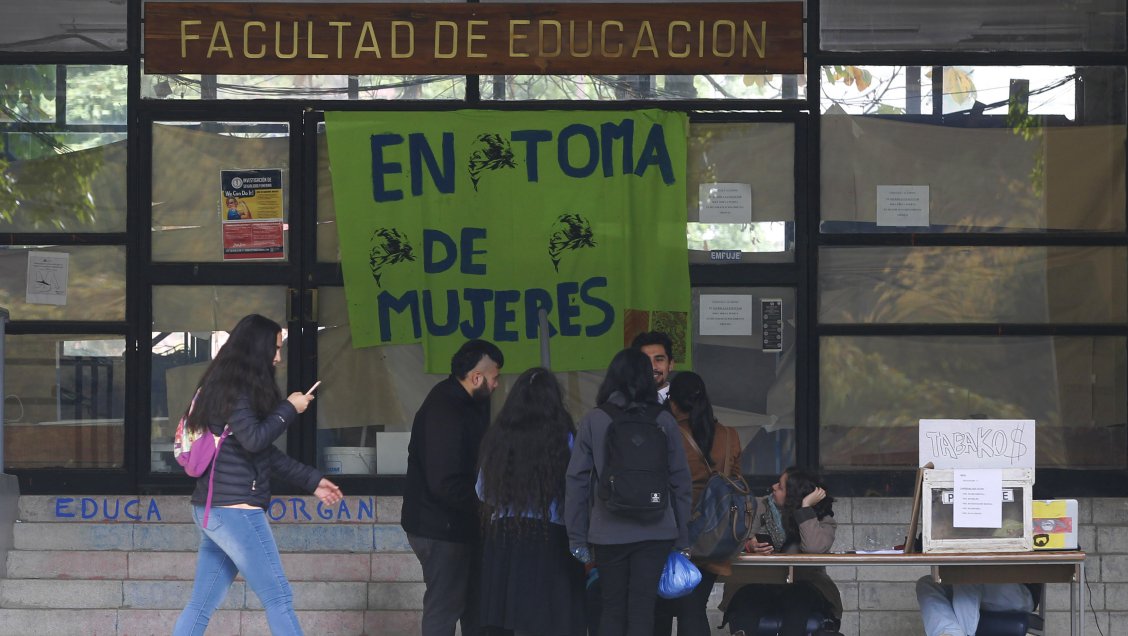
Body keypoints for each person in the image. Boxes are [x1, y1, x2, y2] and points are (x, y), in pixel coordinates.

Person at [173, 314, 343, 636]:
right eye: (274, 349)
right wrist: (290, 408)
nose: (278, 357)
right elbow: (255, 439)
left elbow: (261, 452)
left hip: (214, 509)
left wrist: (312, 481)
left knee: (201, 604)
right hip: (235, 511)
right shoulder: (235, 390)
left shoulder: (223, 386)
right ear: (256, 349)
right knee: (278, 597)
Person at [565, 348, 692, 636]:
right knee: (643, 607)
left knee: (612, 607)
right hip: (657, 529)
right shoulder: (664, 421)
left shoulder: (595, 420)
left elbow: (576, 481)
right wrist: (682, 537)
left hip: (608, 530)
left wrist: (577, 536)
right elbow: (681, 482)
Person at [401, 339, 504, 636]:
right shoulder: (444, 409)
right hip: (440, 529)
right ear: (476, 377)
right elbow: (443, 482)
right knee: (444, 608)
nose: (497, 385)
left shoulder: (468, 404)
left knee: (472, 606)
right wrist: (486, 508)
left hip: (457, 525)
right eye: (494, 378)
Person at [477, 367, 586, 636]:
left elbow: (483, 491)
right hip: (552, 538)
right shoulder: (565, 437)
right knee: (551, 620)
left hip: (503, 538)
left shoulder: (499, 437)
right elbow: (576, 488)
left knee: (504, 622)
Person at [653, 371, 742, 636]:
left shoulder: (666, 434)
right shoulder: (729, 436)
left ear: (673, 402)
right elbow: (737, 483)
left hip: (673, 533)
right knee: (693, 606)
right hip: (715, 536)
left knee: (664, 607)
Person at [720, 466, 842, 636]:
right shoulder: (759, 506)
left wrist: (805, 508)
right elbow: (733, 539)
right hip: (755, 581)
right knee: (749, 599)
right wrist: (750, 546)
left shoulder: (822, 518)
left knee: (799, 597)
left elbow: (813, 548)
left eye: (781, 486)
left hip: (804, 584)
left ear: (793, 495)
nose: (773, 487)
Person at [915, 579, 1035, 636]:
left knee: (964, 573)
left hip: (1019, 586)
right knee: (927, 584)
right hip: (978, 583)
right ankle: (950, 633)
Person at [630, 331, 675, 403]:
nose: (652, 366)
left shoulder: (682, 401)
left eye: (659, 360)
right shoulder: (625, 402)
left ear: (671, 364)